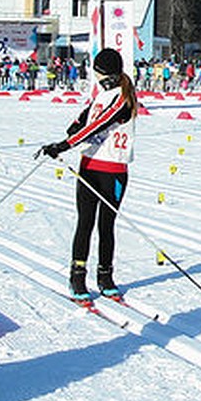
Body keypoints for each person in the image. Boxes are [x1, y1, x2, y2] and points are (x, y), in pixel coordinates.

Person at [37, 48, 138, 300]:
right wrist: (71, 131)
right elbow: (82, 121)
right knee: (85, 223)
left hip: (113, 170)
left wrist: (63, 144)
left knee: (106, 226)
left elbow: (98, 125)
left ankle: (105, 276)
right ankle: (77, 276)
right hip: (89, 167)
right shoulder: (101, 96)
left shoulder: (124, 99)